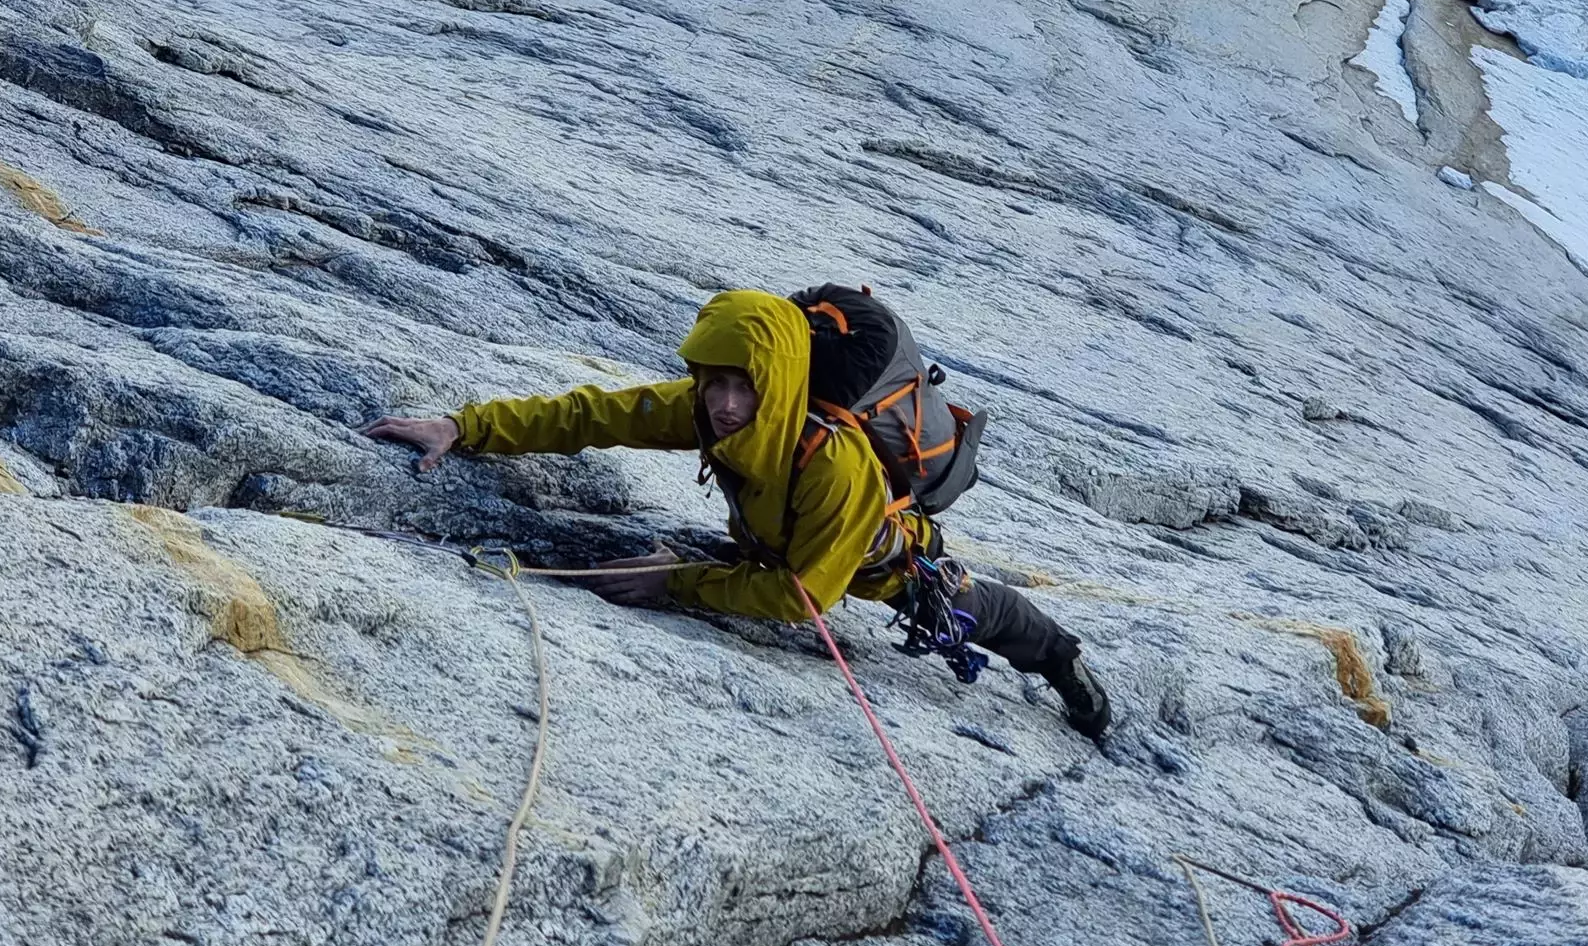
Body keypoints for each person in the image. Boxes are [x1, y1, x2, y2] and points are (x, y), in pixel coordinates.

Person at [367, 288, 1112, 739]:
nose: (724, 403)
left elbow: (804, 598)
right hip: (772, 547)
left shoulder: (834, 464)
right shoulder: (711, 413)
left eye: (743, 385)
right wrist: (465, 427)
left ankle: (1061, 659)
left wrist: (676, 582)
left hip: (873, 563)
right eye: (713, 381)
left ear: (777, 382)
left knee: (967, 604)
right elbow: (593, 413)